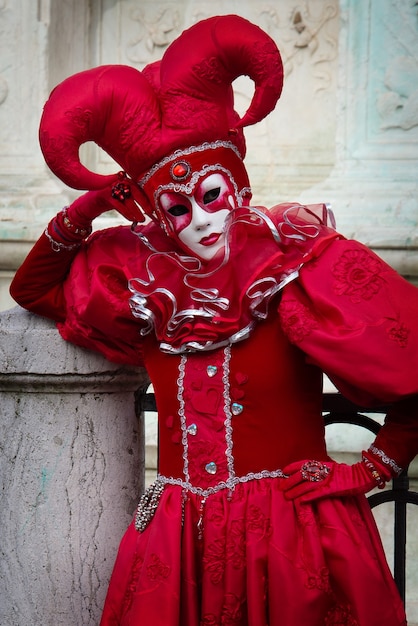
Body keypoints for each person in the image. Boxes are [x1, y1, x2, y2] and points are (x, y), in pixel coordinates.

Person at [10, 14, 418, 626]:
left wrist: (371, 467)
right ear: (157, 215)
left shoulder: (294, 265)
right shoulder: (143, 283)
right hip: (180, 543)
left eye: (212, 195)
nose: (200, 220)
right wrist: (96, 201)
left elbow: (408, 363)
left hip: (291, 535)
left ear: (239, 187)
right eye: (176, 208)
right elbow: (32, 286)